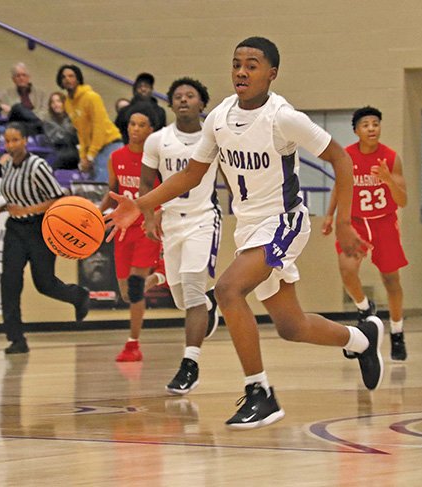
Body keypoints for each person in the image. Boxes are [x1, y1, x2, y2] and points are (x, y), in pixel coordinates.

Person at [105, 37, 385, 430]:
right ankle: (362, 340)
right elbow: (191, 174)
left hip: (284, 221)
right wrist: (143, 203)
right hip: (250, 227)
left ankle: (260, 393)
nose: (241, 71)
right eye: (237, 63)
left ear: (271, 73)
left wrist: (343, 221)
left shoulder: (283, 117)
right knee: (292, 327)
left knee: (227, 290)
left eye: (252, 65)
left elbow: (340, 158)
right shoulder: (219, 117)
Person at [139, 77, 221, 395]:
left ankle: (190, 364)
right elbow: (147, 183)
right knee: (181, 298)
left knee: (190, 286)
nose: (183, 99)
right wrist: (149, 215)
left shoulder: (215, 139)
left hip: (204, 218)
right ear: (170, 104)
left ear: (202, 103)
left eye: (190, 95)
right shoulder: (157, 140)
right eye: (177, 96)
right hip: (170, 222)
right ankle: (210, 303)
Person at [0, 122, 90, 354]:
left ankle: (79, 295)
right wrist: (1, 209)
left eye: (15, 140)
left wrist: (27, 210)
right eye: (8, 140)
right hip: (15, 229)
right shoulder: (7, 167)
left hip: (39, 228)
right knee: (10, 282)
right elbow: (17, 198)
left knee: (44, 283)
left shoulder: (37, 166)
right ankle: (16, 339)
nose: (11, 145)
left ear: (25, 141)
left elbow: (57, 198)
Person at [322, 106, 408, 361]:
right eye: (366, 124)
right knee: (347, 271)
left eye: (375, 123)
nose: (371, 128)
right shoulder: (346, 156)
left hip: (383, 223)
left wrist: (387, 179)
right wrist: (330, 215)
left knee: (391, 281)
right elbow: (339, 187)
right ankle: (364, 307)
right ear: (357, 130)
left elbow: (403, 200)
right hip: (356, 223)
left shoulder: (391, 158)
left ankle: (397, 330)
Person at [99, 104, 161, 362]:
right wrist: (96, 214)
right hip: (124, 228)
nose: (135, 129)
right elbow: (113, 192)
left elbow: (169, 190)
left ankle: (132, 344)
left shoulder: (157, 158)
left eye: (141, 125)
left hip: (147, 226)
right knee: (126, 293)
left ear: (151, 130)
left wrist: (158, 215)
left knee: (135, 287)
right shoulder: (116, 158)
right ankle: (160, 276)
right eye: (132, 124)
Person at [57, 64, 123, 182]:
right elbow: (80, 132)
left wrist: (90, 155)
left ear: (78, 79)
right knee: (93, 188)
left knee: (103, 186)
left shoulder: (92, 97)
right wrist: (83, 157)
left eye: (71, 76)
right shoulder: (67, 104)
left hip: (110, 145)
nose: (67, 79)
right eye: (64, 77)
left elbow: (99, 127)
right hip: (94, 150)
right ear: (60, 82)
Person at [0, 62, 46, 134]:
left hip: (34, 125)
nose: (21, 78)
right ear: (13, 79)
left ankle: (36, 123)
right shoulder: (7, 93)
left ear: (28, 77)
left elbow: (45, 110)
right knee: (17, 107)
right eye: (18, 76)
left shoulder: (40, 93)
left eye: (24, 75)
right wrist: (0, 105)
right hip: (17, 124)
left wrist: (34, 117)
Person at [115, 72, 167, 144]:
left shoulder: (160, 111)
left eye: (146, 86)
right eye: (140, 86)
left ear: (151, 89)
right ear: (135, 90)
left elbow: (162, 135)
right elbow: (117, 133)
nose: (143, 89)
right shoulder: (124, 111)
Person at [42, 92, 80, 170]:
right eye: (53, 102)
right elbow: (56, 139)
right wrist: (71, 130)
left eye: (58, 101)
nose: (55, 104)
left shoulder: (71, 118)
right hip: (58, 151)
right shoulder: (48, 121)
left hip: (75, 151)